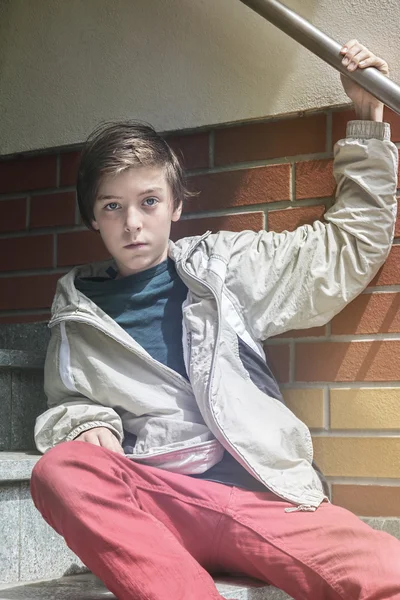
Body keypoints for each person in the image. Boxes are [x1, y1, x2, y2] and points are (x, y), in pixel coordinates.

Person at [30, 40, 400, 600]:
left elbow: (343, 252)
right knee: (60, 471)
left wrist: (367, 123)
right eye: (112, 206)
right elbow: (70, 401)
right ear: (93, 218)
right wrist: (87, 424)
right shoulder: (77, 312)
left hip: (264, 498)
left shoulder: (224, 267)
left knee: (387, 570)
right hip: (160, 506)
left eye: (149, 201)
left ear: (176, 206)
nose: (132, 222)